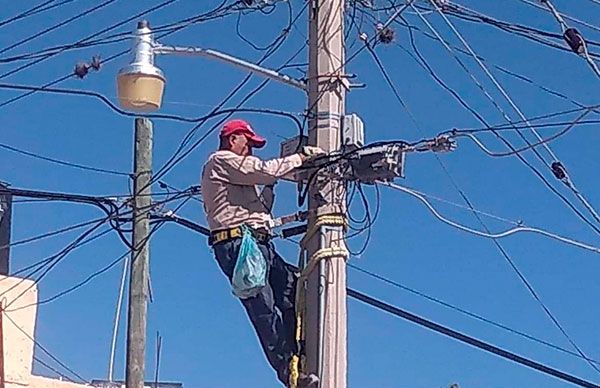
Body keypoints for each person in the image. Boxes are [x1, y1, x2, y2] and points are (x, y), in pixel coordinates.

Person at [201, 119, 323, 387]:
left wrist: (271, 186)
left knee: (291, 289)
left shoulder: (239, 175)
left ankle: (296, 356)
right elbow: (264, 170)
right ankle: (289, 374)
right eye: (249, 143)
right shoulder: (220, 161)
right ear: (233, 139)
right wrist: (298, 158)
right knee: (265, 310)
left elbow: (260, 208)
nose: (251, 150)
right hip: (239, 246)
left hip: (257, 243)